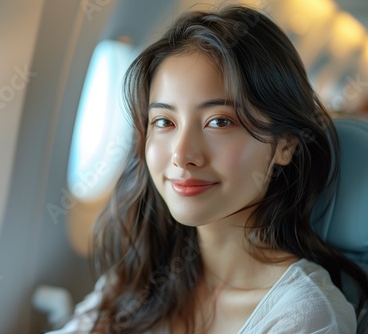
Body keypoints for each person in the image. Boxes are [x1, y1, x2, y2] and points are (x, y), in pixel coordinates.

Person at [49, 5, 368, 334]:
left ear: (285, 144)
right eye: (164, 122)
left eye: (219, 121)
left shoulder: (304, 316)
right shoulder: (138, 278)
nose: (182, 155)